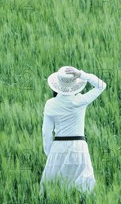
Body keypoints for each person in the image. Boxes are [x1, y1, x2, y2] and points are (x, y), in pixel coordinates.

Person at [39, 66, 107, 194]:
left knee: (53, 187)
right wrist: (81, 74)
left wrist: (50, 153)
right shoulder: (79, 100)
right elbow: (101, 85)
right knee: (83, 186)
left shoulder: (50, 104)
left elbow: (46, 133)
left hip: (58, 147)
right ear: (74, 85)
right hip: (78, 147)